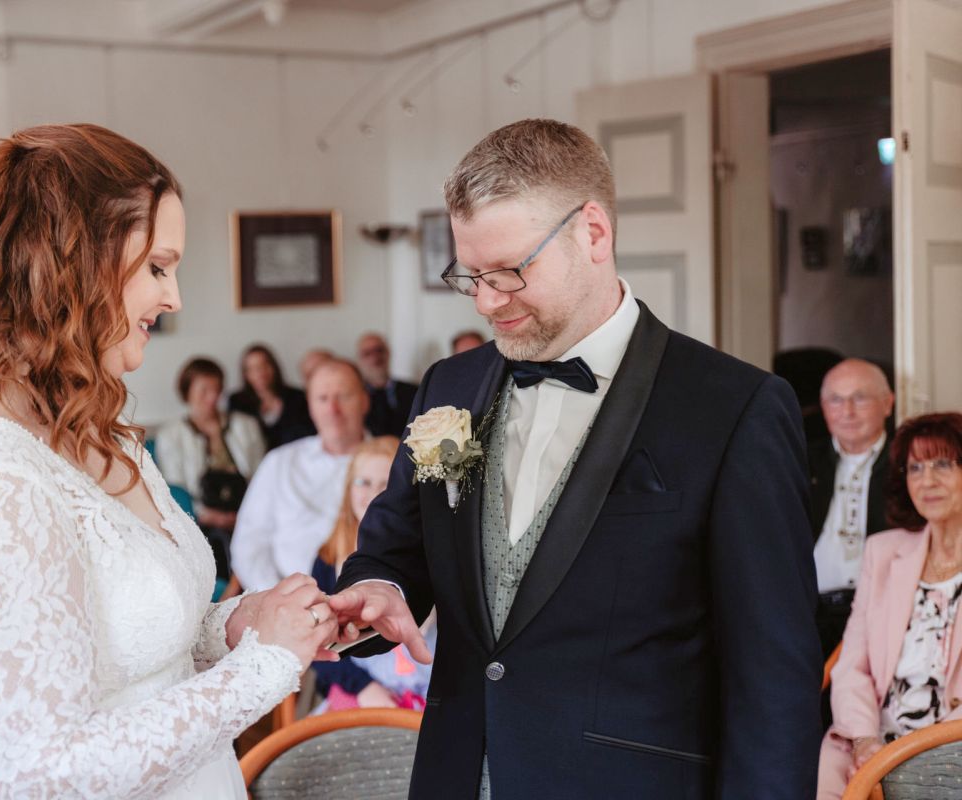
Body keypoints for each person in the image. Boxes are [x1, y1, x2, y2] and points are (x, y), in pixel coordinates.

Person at [329, 119, 821, 799]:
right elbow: (396, 547)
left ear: (593, 233)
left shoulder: (735, 408)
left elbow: (775, 680)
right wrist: (381, 585)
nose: (486, 301)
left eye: (509, 271)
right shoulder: (449, 387)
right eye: (471, 275)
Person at [0, 124, 339, 800]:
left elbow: (119, 647)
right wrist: (264, 667)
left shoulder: (81, 418)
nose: (174, 298)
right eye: (158, 267)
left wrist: (237, 628)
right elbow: (32, 774)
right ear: (75, 260)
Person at [818, 413, 962, 799]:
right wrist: (865, 740)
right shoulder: (882, 552)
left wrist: (907, 754)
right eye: (915, 467)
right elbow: (853, 662)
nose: (927, 480)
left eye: (943, 464)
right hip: (868, 741)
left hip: (950, 747)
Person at [309, 436, 437, 712]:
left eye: (386, 485)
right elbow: (318, 647)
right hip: (361, 691)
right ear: (348, 489)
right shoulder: (328, 558)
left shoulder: (428, 555)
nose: (374, 494)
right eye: (363, 482)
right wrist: (364, 687)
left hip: (426, 687)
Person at [230, 358, 369, 591]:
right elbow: (248, 544)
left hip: (369, 600)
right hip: (286, 597)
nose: (333, 409)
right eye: (322, 398)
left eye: (344, 396)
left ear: (364, 401)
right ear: (310, 406)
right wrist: (281, 597)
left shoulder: (393, 463)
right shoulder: (279, 462)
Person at [809, 358, 895, 657]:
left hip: (885, 614)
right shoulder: (801, 461)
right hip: (811, 614)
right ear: (824, 408)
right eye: (836, 400)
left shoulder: (909, 464)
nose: (847, 411)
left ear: (888, 403)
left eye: (860, 398)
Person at [155, 356, 266, 580]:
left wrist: (248, 514)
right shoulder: (171, 435)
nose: (212, 398)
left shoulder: (246, 426)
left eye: (216, 390)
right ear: (187, 392)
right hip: (200, 522)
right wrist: (208, 516)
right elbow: (174, 491)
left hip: (247, 513)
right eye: (204, 391)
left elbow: (262, 477)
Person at [227, 344, 314, 450]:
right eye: (252, 368)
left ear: (274, 367)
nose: (259, 373)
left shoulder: (297, 397)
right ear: (245, 374)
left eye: (264, 365)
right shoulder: (238, 402)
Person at [356, 332, 419, 437]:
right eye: (367, 353)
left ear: (388, 353)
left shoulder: (415, 392)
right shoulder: (355, 399)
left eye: (379, 350)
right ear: (359, 361)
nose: (375, 357)